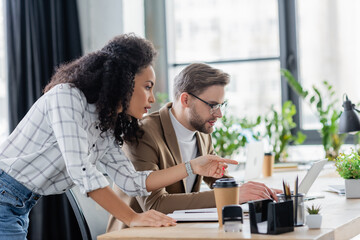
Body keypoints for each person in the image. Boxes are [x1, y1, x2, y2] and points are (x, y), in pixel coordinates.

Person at [0, 34, 237, 239]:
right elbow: (82, 172)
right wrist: (133, 217)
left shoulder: (104, 125)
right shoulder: (67, 97)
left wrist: (192, 166)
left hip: (20, 203)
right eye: (147, 87)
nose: (153, 98)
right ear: (123, 82)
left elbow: (132, 181)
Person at [107, 63, 280, 231]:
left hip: (176, 230)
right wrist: (232, 196)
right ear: (186, 100)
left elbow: (218, 179)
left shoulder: (203, 131)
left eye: (220, 105)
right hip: (136, 235)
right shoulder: (142, 134)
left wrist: (258, 193)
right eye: (212, 105)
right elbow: (155, 205)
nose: (219, 114)